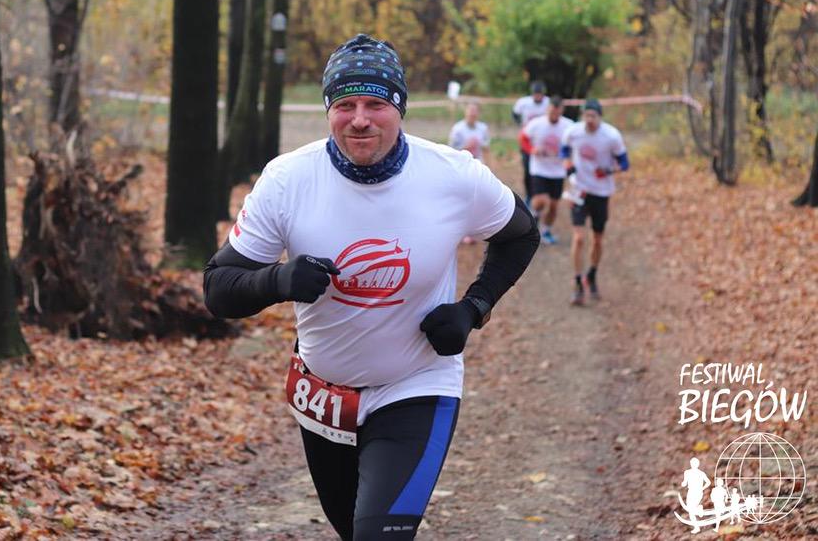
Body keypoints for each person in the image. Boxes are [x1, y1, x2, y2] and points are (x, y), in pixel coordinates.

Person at [203, 33, 539, 540]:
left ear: (399, 108)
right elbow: (218, 289)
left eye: (375, 104)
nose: (359, 119)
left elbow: (522, 233)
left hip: (417, 383)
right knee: (355, 530)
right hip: (324, 391)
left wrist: (474, 307)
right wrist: (278, 279)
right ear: (329, 111)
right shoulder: (287, 180)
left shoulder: (454, 176)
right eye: (345, 105)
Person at [560, 99, 629, 306]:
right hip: (579, 190)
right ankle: (577, 282)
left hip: (601, 192)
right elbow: (564, 149)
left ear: (600, 117)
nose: (589, 120)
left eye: (593, 116)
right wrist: (567, 163)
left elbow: (625, 163)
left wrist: (608, 170)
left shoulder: (611, 136)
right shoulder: (574, 131)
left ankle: (591, 274)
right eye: (586, 115)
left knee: (597, 239)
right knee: (579, 238)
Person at [519, 96, 572, 245]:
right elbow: (523, 138)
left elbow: (576, 144)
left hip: (558, 171)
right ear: (547, 109)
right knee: (540, 201)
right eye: (551, 111)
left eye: (557, 112)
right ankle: (534, 218)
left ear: (562, 110)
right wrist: (532, 149)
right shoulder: (536, 124)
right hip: (539, 168)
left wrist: (568, 157)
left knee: (554, 206)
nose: (553, 114)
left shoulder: (569, 126)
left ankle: (546, 231)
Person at [512, 81, 550, 204]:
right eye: (535, 94)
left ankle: (542, 194)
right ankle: (529, 194)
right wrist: (521, 124)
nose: (537, 96)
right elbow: (514, 113)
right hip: (527, 140)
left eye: (540, 94)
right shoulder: (524, 103)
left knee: (544, 169)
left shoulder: (548, 103)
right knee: (528, 169)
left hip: (542, 141)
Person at [448, 101, 491, 166]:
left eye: (475, 111)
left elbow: (486, 149)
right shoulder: (457, 129)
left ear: (479, 113)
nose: (472, 113)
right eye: (471, 110)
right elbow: (451, 150)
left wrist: (489, 165)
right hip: (462, 164)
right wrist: (466, 147)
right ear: (465, 111)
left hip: (478, 164)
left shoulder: (483, 128)